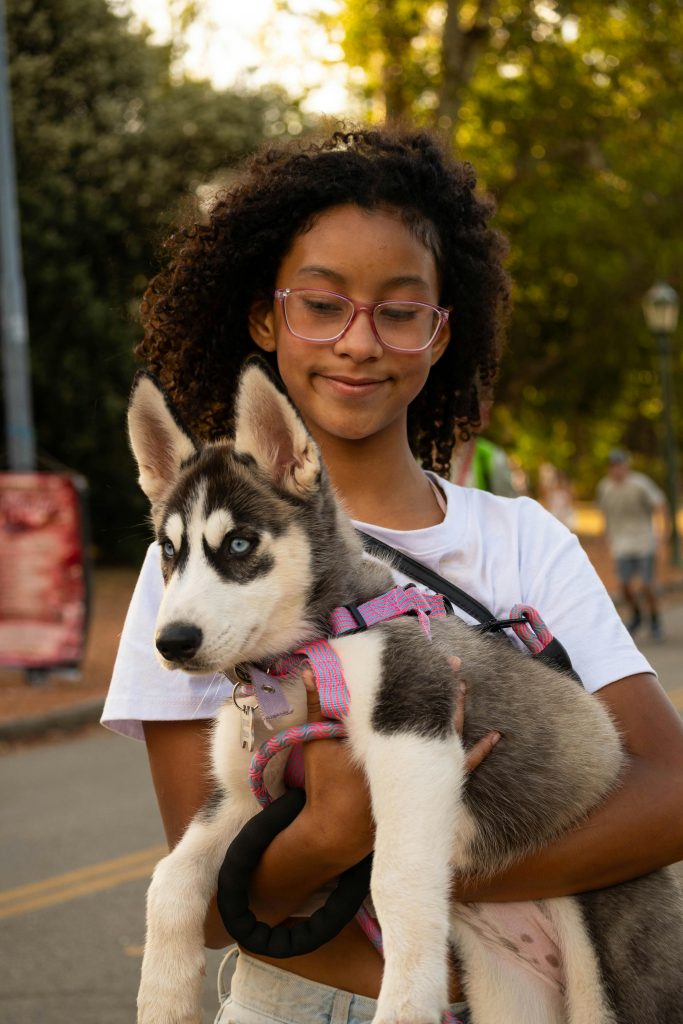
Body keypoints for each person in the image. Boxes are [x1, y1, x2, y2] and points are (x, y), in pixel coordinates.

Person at [102, 127, 683, 1024]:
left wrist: (428, 877)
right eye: (322, 305)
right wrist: (341, 827)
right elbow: (214, 905)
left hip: (508, 985)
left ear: (443, 331)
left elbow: (667, 792)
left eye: (400, 309)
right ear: (266, 319)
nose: (359, 342)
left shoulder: (522, 538)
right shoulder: (190, 573)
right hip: (303, 1000)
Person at [597, 448, 667, 639]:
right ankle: (636, 615)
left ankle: (654, 620)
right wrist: (606, 538)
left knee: (647, 584)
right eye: (613, 467)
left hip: (644, 540)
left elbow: (660, 504)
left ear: (626, 466)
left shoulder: (639, 484)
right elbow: (605, 513)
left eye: (620, 466)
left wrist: (662, 532)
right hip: (621, 543)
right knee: (624, 584)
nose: (617, 470)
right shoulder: (605, 488)